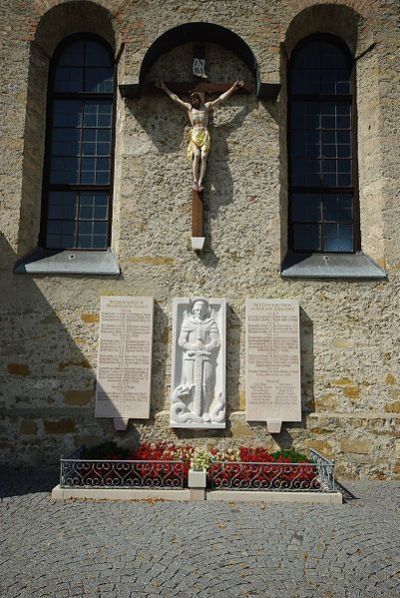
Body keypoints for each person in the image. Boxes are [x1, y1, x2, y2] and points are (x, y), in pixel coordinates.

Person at [156, 80, 244, 191]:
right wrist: (164, 88)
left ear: (199, 99)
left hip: (204, 134)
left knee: (203, 157)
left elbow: (221, 99)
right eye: (192, 99)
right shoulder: (189, 108)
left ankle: (201, 181)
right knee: (196, 155)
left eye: (195, 99)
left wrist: (233, 88)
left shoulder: (206, 107)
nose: (194, 101)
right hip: (195, 134)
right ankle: (195, 181)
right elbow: (175, 99)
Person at [177, 299, 220, 417]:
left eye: (201, 310)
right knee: (190, 384)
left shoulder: (210, 323)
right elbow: (181, 341)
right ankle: (191, 410)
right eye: (196, 310)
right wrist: (192, 347)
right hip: (191, 357)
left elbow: (216, 342)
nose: (199, 312)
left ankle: (205, 411)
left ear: (206, 310)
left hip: (206, 358)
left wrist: (205, 348)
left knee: (206, 384)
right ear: (193, 310)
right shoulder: (187, 322)